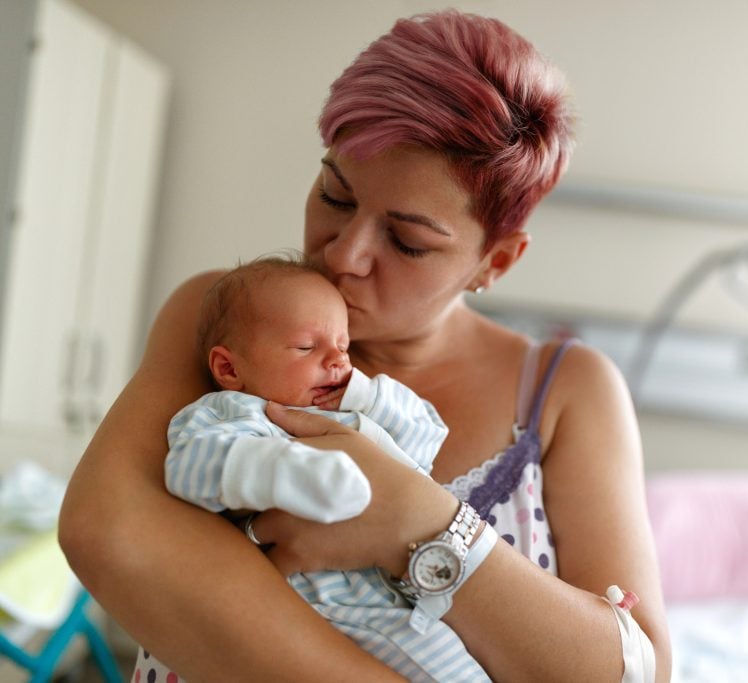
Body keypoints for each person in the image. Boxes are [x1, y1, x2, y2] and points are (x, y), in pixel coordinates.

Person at [59, 9, 672, 682]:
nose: (344, 254)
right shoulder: (226, 316)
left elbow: (634, 670)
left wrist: (417, 519)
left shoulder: (566, 390)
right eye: (335, 193)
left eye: (407, 240)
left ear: (495, 261)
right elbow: (108, 532)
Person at [164, 255, 490, 681]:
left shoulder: (351, 413)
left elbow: (426, 436)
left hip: (407, 594)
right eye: (305, 347)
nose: (337, 361)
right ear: (229, 368)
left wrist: (366, 397)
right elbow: (189, 466)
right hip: (334, 602)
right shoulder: (236, 413)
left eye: (343, 345)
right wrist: (289, 470)